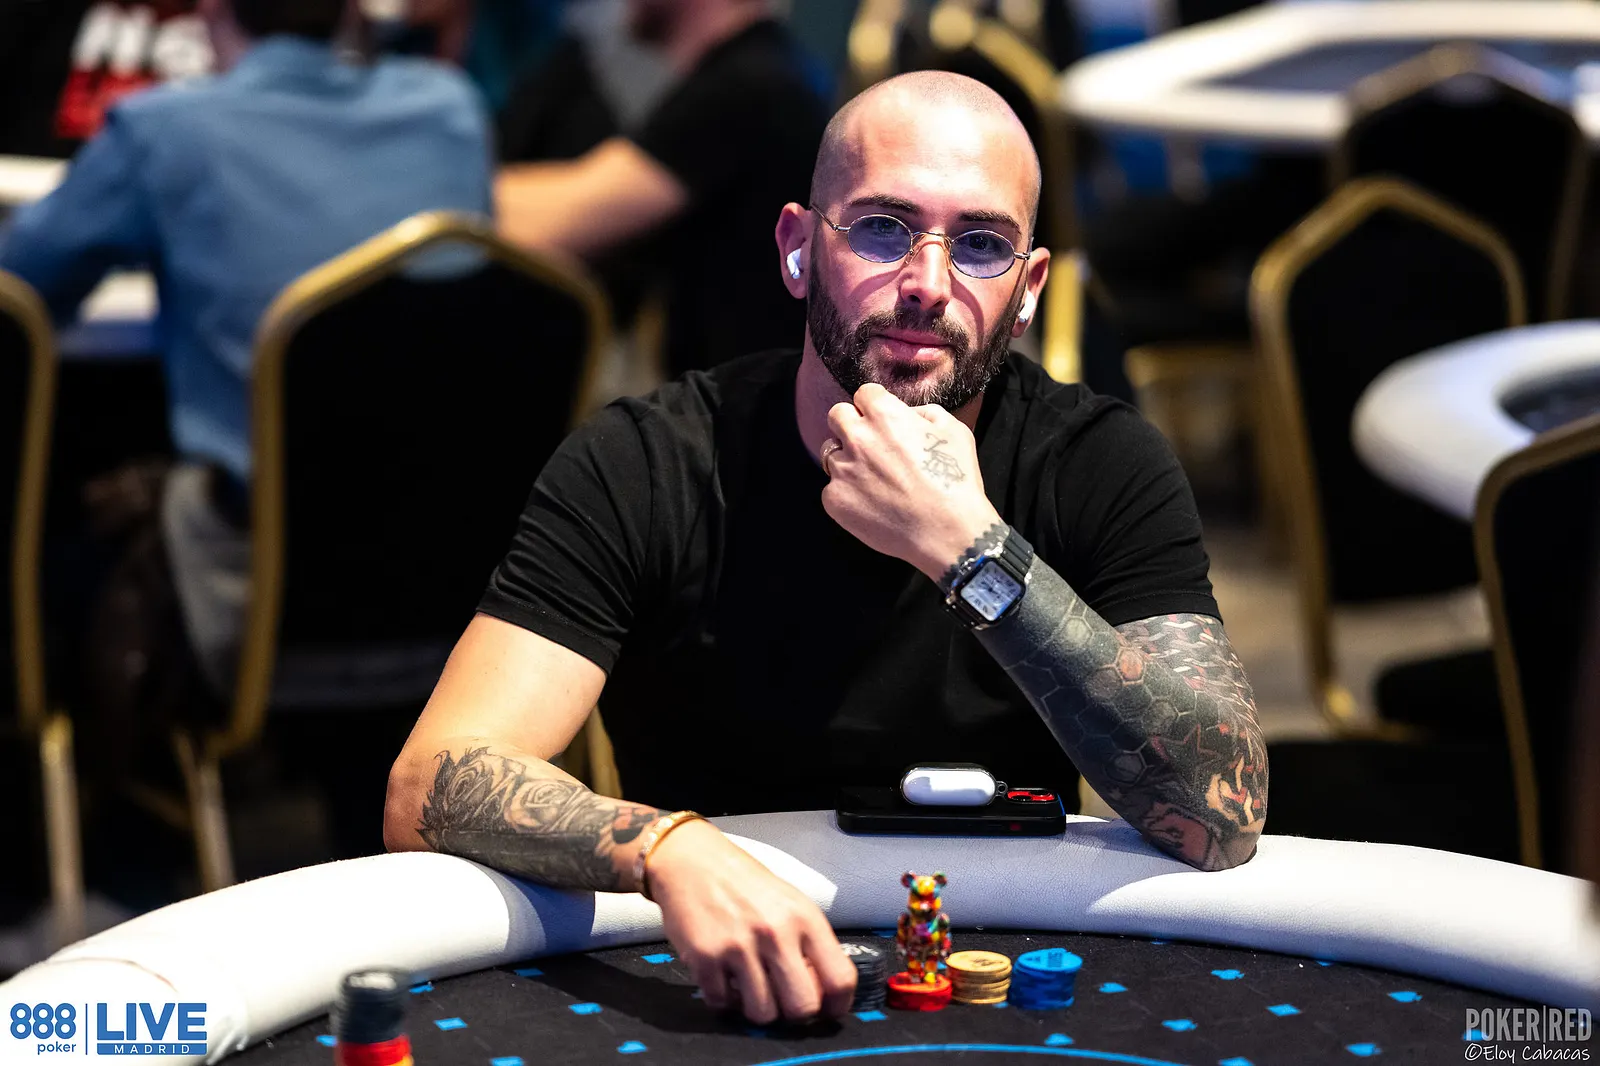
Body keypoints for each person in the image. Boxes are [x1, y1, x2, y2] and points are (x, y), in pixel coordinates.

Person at [386, 71, 1268, 1027]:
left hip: (1000, 967)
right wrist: (666, 848)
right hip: (710, 976)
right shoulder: (644, 462)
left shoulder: (1099, 462)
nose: (928, 283)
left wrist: (972, 553)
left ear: (1027, 290)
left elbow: (1220, 815)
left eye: (981, 244)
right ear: (798, 249)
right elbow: (430, 781)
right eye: (884, 229)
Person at [0, 0, 492, 696]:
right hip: (460, 596)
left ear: (208, 9)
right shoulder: (453, 110)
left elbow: (19, 291)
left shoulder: (166, 128)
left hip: (251, 596)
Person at [493, 0, 829, 376]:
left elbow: (559, 223)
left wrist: (448, 175)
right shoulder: (763, 67)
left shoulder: (754, 84)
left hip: (741, 399)